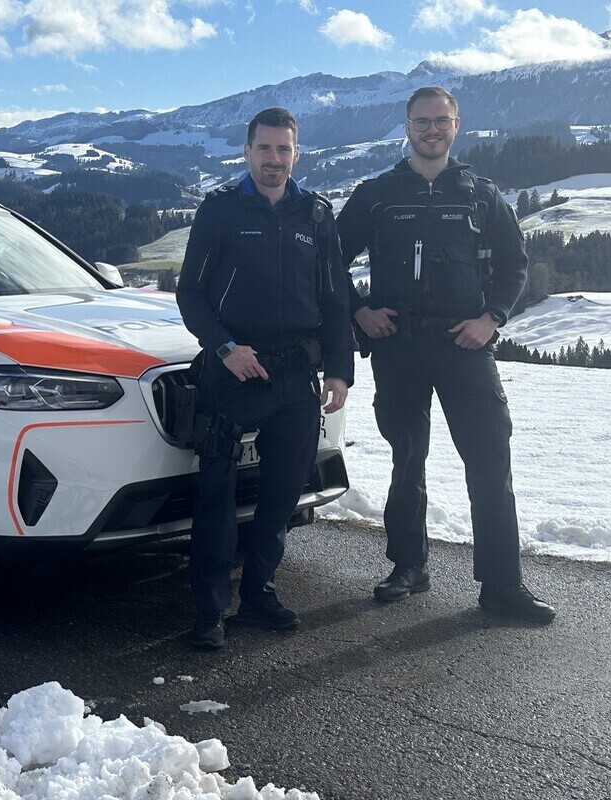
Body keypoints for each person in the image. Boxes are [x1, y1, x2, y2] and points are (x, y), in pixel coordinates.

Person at [336, 86, 556, 623]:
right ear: (406, 127)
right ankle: (408, 567)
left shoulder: (481, 195)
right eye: (422, 122)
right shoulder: (377, 194)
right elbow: (329, 262)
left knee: (489, 460)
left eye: (441, 121)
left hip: (465, 346)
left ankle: (502, 586)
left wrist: (492, 318)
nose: (432, 130)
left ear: (456, 125)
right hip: (398, 346)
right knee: (407, 458)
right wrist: (360, 311)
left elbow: (515, 265)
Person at [177, 107, 354, 650]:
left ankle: (258, 593)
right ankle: (210, 611)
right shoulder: (221, 211)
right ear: (247, 151)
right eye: (264, 148)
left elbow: (335, 299)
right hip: (233, 371)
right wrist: (224, 348)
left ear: (296, 153)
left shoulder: (316, 216)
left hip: (295, 375)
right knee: (217, 495)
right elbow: (191, 293)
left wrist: (340, 370)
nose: (273, 159)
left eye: (283, 149)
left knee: (282, 493)